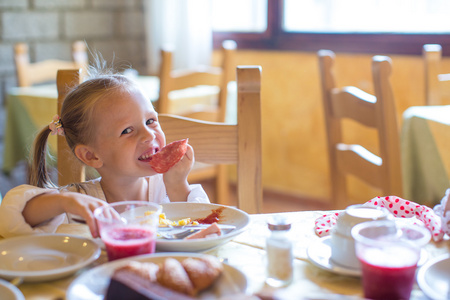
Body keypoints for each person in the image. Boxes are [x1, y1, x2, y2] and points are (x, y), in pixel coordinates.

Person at [0, 59, 209, 238]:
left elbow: (202, 231)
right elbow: (10, 220)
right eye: (127, 130)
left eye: (151, 120)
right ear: (91, 156)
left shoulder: (166, 190)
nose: (149, 135)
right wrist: (65, 201)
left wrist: (178, 186)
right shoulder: (81, 202)